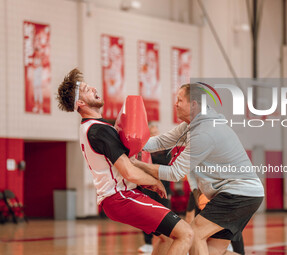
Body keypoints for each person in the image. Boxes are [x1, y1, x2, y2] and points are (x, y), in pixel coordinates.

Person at [56, 68, 193, 255]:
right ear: (80, 103)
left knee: (166, 236)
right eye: (87, 89)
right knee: (186, 234)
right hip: (121, 197)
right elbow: (128, 171)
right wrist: (154, 181)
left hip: (119, 197)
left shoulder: (91, 127)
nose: (94, 89)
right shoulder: (99, 130)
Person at [132, 83, 264, 255]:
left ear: (194, 104)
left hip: (239, 194)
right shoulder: (192, 125)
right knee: (213, 250)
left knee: (193, 234)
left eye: (180, 100)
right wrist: (131, 144)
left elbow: (175, 173)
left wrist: (139, 165)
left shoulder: (204, 132)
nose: (176, 104)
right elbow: (160, 142)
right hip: (243, 194)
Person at [138, 122, 172, 254]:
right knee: (146, 214)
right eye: (152, 133)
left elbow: (167, 164)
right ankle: (147, 242)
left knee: (164, 213)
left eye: (156, 133)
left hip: (163, 186)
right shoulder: (143, 149)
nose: (155, 135)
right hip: (147, 186)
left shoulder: (166, 149)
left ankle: (165, 239)